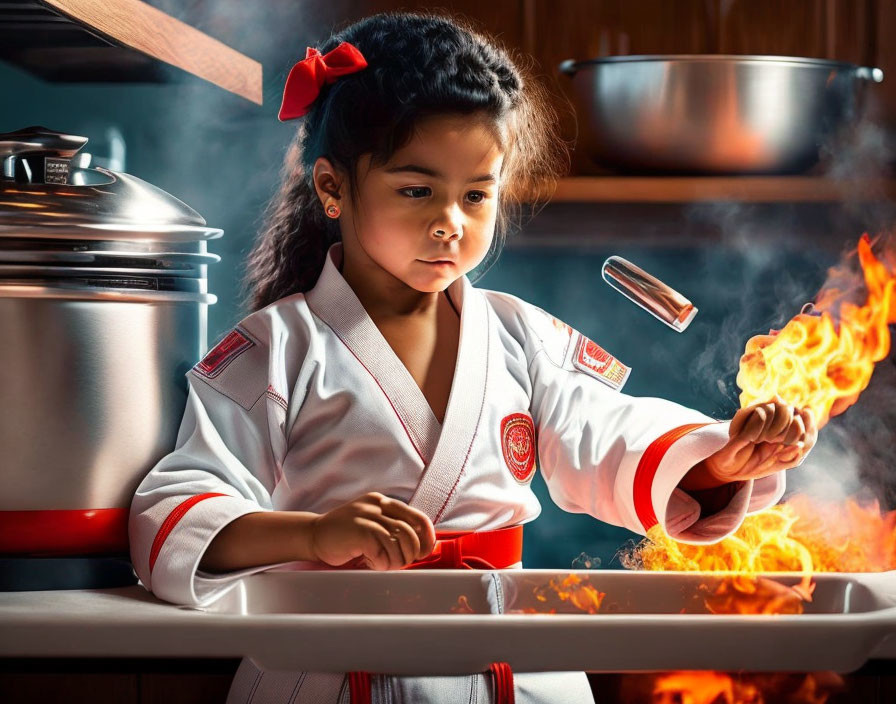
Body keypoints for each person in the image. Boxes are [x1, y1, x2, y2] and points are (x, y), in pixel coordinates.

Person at [129, 11, 818, 704]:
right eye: (416, 189)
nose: (449, 223)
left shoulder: (520, 336)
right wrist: (314, 535)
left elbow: (608, 434)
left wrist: (719, 462)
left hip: (513, 667)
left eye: (476, 195)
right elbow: (174, 508)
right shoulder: (276, 348)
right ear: (333, 187)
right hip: (337, 667)